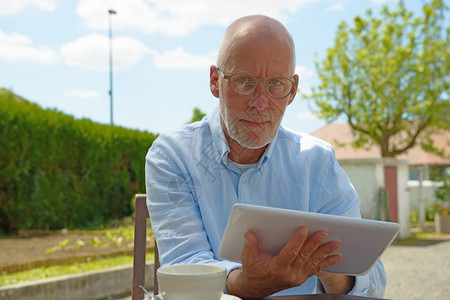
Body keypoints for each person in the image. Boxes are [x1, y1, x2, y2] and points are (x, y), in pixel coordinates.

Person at [145, 15, 386, 298]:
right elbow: (185, 269)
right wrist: (246, 284)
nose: (261, 102)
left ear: (292, 91)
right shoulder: (173, 156)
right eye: (244, 81)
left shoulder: (317, 161)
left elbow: (373, 281)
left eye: (276, 84)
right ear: (214, 81)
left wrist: (332, 269)